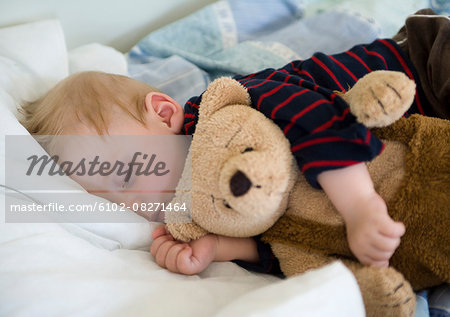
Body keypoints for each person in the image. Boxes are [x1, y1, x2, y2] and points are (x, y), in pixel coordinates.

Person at [20, 9, 449, 276]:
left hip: (422, 66)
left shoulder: (229, 107)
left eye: (129, 172)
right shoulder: (202, 208)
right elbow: (290, 232)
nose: (134, 203)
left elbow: (316, 117)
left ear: (166, 114)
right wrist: (221, 248)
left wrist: (359, 206)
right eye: (115, 202)